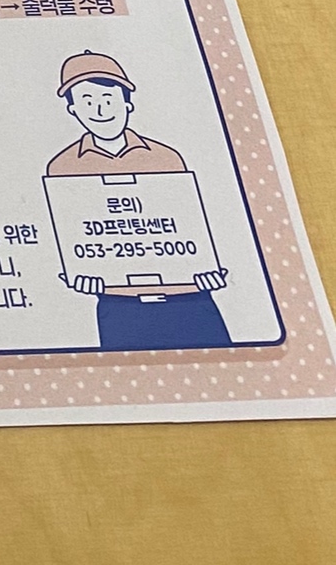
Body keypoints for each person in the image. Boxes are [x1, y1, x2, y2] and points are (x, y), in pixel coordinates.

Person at [46, 50, 230, 350]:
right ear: (73, 110)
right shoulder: (63, 167)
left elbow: (191, 224)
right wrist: (79, 276)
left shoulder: (165, 157)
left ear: (127, 103)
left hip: (190, 299)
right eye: (87, 101)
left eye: (108, 99)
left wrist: (208, 269)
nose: (100, 109)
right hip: (120, 306)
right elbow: (70, 234)